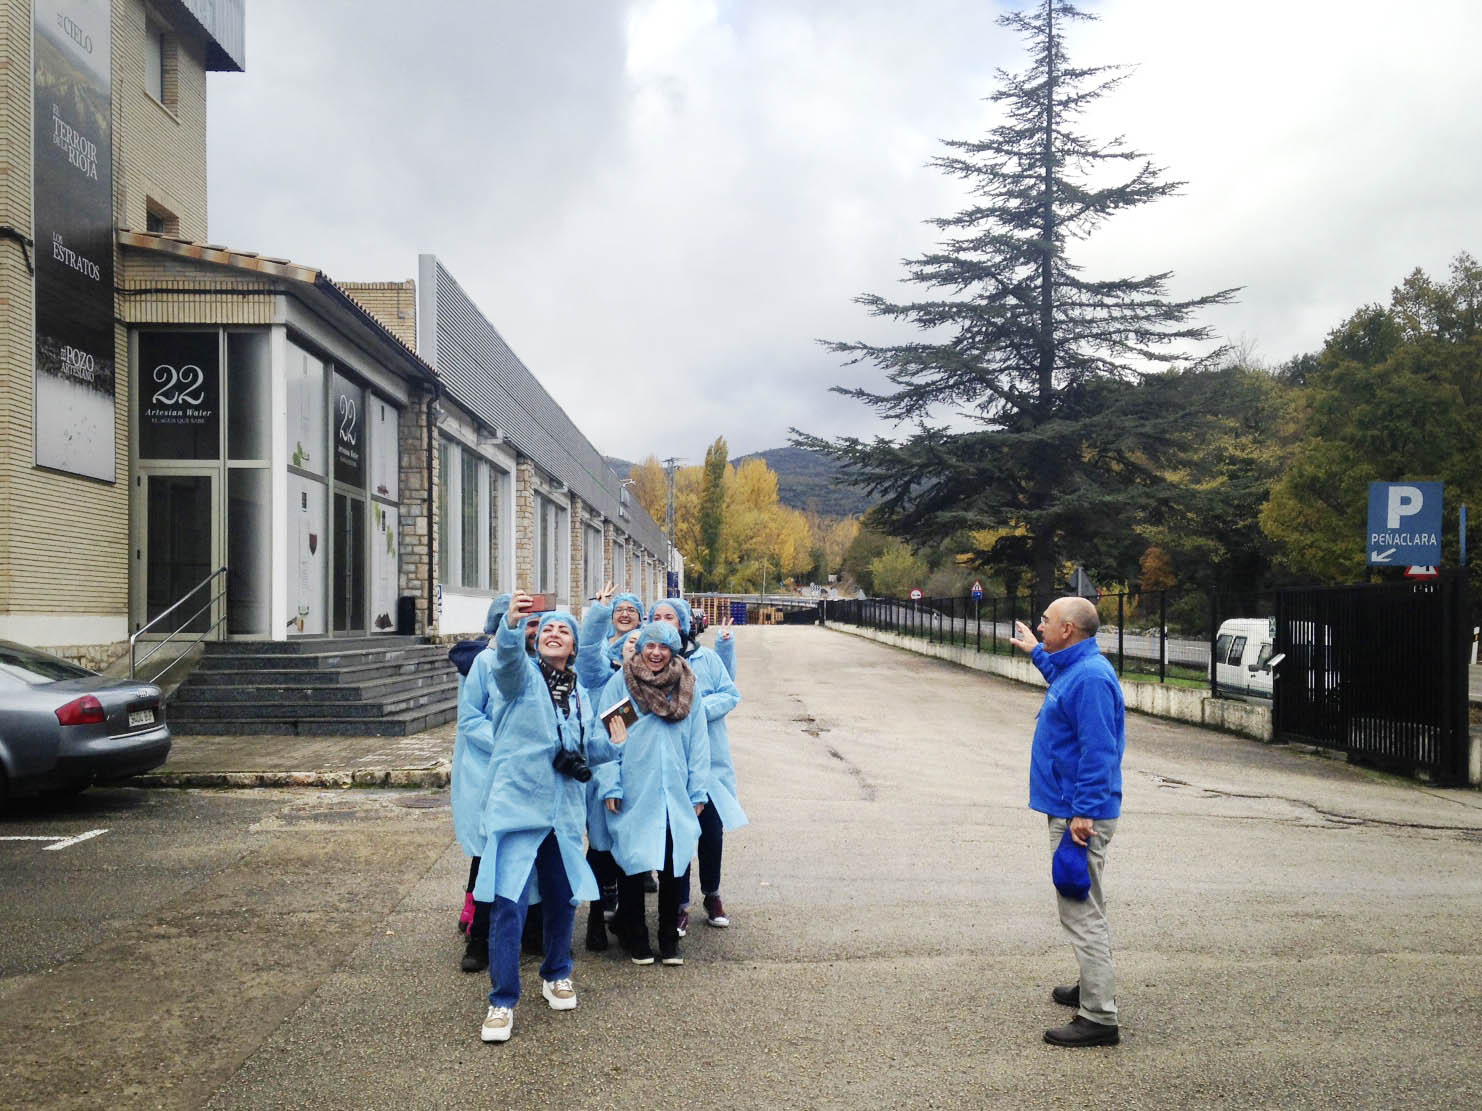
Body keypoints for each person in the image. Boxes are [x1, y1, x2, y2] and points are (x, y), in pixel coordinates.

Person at [471, 595, 599, 1044]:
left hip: (562, 815)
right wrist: (509, 626)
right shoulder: (520, 677)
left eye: (563, 630)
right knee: (509, 906)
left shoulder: (580, 695)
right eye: (545, 628)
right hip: (518, 809)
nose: (552, 633)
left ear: (574, 647)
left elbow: (592, 747)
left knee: (563, 900)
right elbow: (506, 662)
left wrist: (617, 738)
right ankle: (502, 1000)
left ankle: (556, 972)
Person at [1009, 596, 1126, 1048]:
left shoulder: (1092, 678)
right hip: (1073, 806)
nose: (1040, 626)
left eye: (1046, 622)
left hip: (1080, 813)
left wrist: (1084, 813)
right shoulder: (1076, 667)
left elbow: (1099, 752)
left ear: (1069, 631)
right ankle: (1092, 984)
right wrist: (1035, 654)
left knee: (1080, 910)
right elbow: (1062, 677)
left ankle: (1099, 1015)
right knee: (1086, 903)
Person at [595, 621, 709, 966]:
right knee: (633, 862)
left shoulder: (686, 686)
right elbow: (606, 741)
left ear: (674, 650)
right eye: (650, 646)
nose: (656, 653)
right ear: (641, 647)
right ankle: (637, 936)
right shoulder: (622, 683)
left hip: (673, 790)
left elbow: (698, 740)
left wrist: (697, 788)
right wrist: (610, 783)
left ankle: (668, 938)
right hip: (634, 787)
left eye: (664, 647)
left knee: (674, 865)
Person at [451, 600, 542, 970]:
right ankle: (479, 938)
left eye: (537, 623)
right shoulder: (485, 664)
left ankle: (533, 932)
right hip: (488, 771)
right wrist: (508, 740)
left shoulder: (539, 666)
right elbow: (470, 718)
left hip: (527, 776)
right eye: (524, 622)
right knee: (488, 856)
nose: (531, 631)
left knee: (530, 856)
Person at [649, 598, 745, 934]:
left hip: (709, 762)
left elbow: (730, 693)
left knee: (711, 831)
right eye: (657, 617)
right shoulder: (650, 662)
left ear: (684, 623)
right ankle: (679, 904)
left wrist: (693, 710)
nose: (664, 621)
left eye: (670, 617)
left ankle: (712, 893)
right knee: (677, 836)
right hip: (670, 765)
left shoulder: (705, 659)